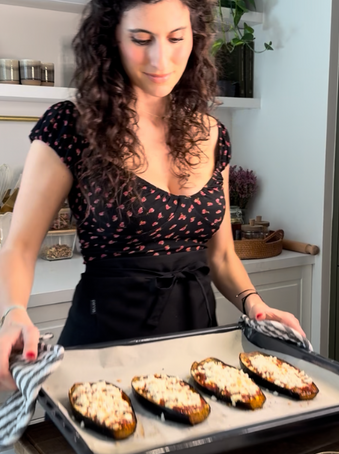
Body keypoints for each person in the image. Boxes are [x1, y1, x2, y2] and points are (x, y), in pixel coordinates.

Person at [0, 0, 304, 392]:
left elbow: (222, 255)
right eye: (141, 39)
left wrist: (252, 303)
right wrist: (13, 312)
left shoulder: (212, 135)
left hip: (195, 344)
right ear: (111, 38)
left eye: (176, 38)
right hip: (103, 349)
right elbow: (20, 246)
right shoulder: (72, 126)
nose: (162, 58)